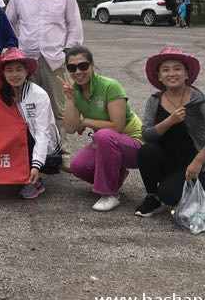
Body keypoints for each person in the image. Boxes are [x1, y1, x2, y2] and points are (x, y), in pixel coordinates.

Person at [6, 0, 82, 170]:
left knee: (59, 110)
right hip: (26, 63)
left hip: (54, 61)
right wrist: (14, 51)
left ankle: (63, 154)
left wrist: (67, 53)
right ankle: (29, 153)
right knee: (25, 108)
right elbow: (8, 23)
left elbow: (74, 27)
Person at [134, 47, 205, 217]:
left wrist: (199, 161)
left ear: (186, 74)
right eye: (165, 70)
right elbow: (146, 135)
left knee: (169, 196)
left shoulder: (198, 99)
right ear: (159, 76)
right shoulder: (154, 100)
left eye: (177, 68)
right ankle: (152, 197)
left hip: (196, 167)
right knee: (146, 150)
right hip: (168, 162)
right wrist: (169, 121)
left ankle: (191, 190)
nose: (172, 73)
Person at [59, 46, 143, 211]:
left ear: (92, 65)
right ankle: (117, 174)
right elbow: (70, 128)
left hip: (137, 144)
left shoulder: (110, 85)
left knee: (103, 135)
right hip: (108, 143)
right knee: (78, 166)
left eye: (83, 66)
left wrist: (86, 121)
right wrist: (69, 99)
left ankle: (110, 193)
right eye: (72, 68)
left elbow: (117, 126)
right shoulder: (75, 91)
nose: (78, 71)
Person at [0, 48, 62, 199]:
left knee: (23, 132)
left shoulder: (39, 95)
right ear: (3, 74)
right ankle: (19, 171)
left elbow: (43, 132)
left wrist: (36, 165)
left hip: (42, 144)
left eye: (19, 70)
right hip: (22, 140)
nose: (14, 75)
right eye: (9, 70)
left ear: (26, 72)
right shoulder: (2, 94)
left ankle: (34, 178)